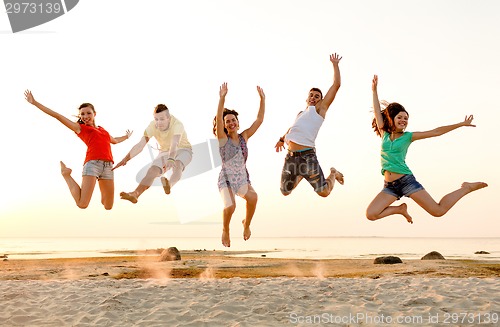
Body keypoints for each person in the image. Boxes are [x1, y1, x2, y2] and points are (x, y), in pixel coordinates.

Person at [366, 75, 488, 223]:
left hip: (406, 181)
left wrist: (460, 124)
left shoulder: (408, 136)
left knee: (438, 211)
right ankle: (400, 209)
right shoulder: (384, 134)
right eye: (400, 117)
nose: (403, 120)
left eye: (406, 118)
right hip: (389, 186)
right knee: (371, 214)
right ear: (392, 118)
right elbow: (378, 112)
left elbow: (436, 132)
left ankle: (466, 188)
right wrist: (374, 91)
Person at [24, 90, 132, 210]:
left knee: (108, 206)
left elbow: (115, 140)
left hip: (108, 166)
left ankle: (103, 192)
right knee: (82, 204)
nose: (85, 117)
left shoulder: (102, 130)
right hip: (92, 164)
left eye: (88, 113)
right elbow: (58, 116)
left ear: (94, 113)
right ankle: (66, 175)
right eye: (82, 114)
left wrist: (126, 137)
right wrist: (35, 102)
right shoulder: (80, 128)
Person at [275, 53, 344, 197]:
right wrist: (282, 139)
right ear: (307, 98)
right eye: (311, 95)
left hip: (307, 156)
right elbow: (292, 129)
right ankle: (301, 174)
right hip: (291, 157)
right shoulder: (301, 113)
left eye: (317, 96)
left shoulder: (319, 110)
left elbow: (336, 85)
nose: (313, 98)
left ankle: (333, 173)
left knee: (323, 192)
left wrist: (335, 65)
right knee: (285, 191)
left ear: (321, 100)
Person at [214, 82, 265, 247]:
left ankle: (246, 224)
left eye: (233, 120)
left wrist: (262, 99)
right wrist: (222, 98)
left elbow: (259, 120)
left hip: (242, 179)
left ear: (237, 122)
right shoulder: (223, 139)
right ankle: (225, 230)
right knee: (230, 205)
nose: (230, 123)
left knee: (253, 197)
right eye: (227, 121)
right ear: (224, 125)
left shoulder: (244, 137)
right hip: (227, 180)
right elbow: (220, 121)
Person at [114, 104, 192, 203]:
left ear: (168, 118)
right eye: (156, 119)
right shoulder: (152, 126)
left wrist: (171, 158)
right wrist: (125, 159)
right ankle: (136, 193)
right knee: (152, 171)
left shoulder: (177, 124)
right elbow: (140, 145)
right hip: (164, 151)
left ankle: (169, 185)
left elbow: (175, 142)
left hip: (183, 150)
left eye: (162, 119)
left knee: (177, 164)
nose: (159, 123)